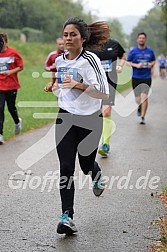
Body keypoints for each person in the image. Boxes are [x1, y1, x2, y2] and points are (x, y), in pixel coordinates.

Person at [45, 17, 110, 235]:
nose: (68, 38)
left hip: (90, 119)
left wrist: (78, 85)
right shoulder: (60, 60)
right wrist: (53, 85)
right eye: (66, 34)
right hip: (66, 117)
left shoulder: (90, 60)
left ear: (83, 38)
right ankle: (67, 216)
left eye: (73, 34)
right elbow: (62, 82)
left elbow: (103, 92)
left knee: (85, 164)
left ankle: (95, 172)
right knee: (65, 167)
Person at [90, 38, 125, 157]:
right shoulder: (91, 44)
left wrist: (120, 65)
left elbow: (122, 55)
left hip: (110, 81)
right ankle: (94, 139)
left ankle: (105, 144)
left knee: (106, 112)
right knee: (95, 113)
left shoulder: (114, 44)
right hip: (95, 83)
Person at [126, 32, 155, 125]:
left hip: (146, 77)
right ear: (137, 39)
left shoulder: (150, 51)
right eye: (140, 38)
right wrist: (136, 65)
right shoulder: (133, 51)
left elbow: (153, 60)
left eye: (143, 38)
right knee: (138, 99)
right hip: (136, 77)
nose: (141, 39)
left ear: (145, 39)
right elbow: (128, 62)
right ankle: (139, 106)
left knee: (144, 97)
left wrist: (152, 64)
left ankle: (143, 117)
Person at [0, 33, 24, 145]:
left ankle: (17, 121)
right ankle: (0, 135)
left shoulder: (13, 53)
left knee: (11, 107)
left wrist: (10, 72)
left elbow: (21, 66)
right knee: (0, 109)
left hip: (11, 85)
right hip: (0, 85)